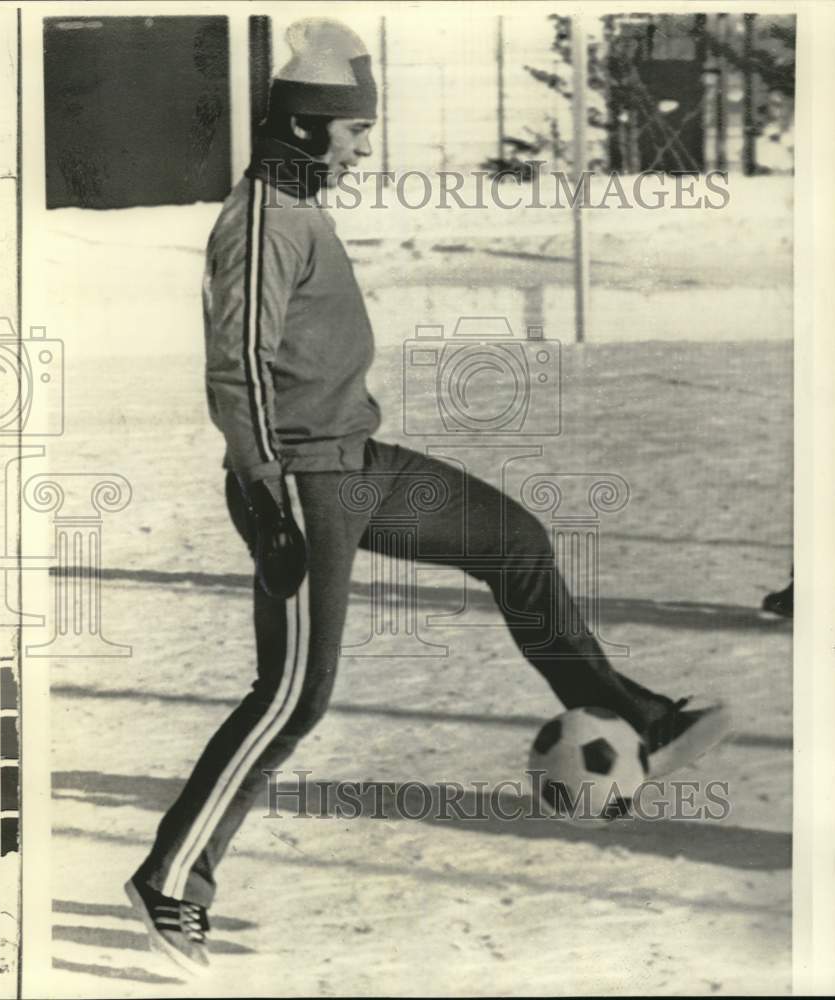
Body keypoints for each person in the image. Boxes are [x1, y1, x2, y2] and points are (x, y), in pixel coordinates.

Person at [125, 19, 731, 976]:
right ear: (311, 128)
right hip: (303, 482)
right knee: (293, 700)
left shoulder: (300, 204)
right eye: (356, 130)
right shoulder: (261, 221)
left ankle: (633, 714)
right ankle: (171, 878)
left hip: (357, 461)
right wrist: (261, 489)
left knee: (514, 542)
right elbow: (234, 365)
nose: (365, 147)